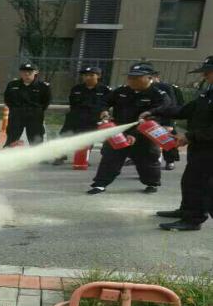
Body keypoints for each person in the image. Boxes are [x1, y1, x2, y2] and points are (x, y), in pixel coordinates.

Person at [141, 56, 213, 231]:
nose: (204, 76)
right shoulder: (208, 93)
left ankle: (193, 219)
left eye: (208, 72)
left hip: (209, 148)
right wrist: (155, 112)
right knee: (190, 181)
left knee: (200, 185)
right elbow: (185, 110)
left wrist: (190, 136)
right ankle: (186, 211)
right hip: (200, 147)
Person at [87, 62, 171, 195]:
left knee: (147, 160)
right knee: (110, 158)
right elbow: (104, 101)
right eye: (130, 77)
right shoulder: (121, 91)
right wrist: (104, 110)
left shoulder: (158, 95)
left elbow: (159, 114)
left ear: (150, 78)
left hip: (144, 134)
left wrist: (135, 134)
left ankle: (152, 183)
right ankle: (100, 184)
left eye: (137, 78)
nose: (132, 80)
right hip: (119, 131)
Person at [53, 66, 110, 165]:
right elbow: (72, 103)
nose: (88, 77)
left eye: (91, 75)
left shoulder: (104, 90)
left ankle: (83, 158)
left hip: (92, 117)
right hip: (75, 116)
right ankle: (60, 156)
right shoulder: (76, 89)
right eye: (85, 75)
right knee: (65, 135)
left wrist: (105, 111)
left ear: (98, 76)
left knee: (88, 138)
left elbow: (107, 103)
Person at [3, 62, 51, 147]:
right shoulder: (12, 85)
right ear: (20, 73)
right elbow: (7, 99)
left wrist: (36, 110)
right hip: (16, 117)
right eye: (24, 72)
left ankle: (36, 156)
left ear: (35, 72)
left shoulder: (43, 86)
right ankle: (8, 155)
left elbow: (46, 102)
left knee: (36, 143)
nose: (27, 74)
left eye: (30, 72)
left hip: (34, 118)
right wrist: (16, 109)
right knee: (11, 141)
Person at [150, 68, 185, 170]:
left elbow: (173, 105)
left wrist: (169, 122)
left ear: (156, 77)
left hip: (165, 117)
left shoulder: (166, 87)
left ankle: (170, 160)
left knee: (167, 138)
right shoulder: (143, 88)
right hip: (151, 117)